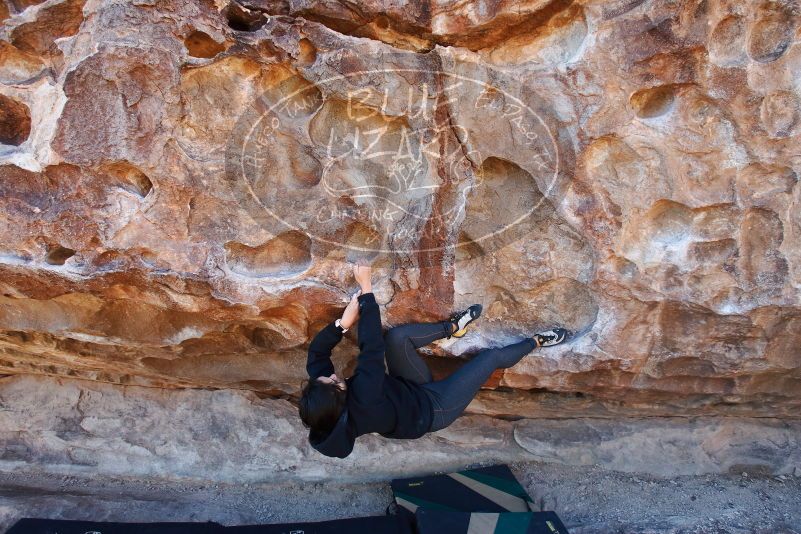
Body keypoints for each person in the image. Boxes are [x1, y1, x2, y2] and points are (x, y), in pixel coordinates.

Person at [299, 264, 570, 458]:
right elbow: (371, 348)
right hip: (432, 410)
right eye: (334, 382)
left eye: (327, 377)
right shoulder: (365, 399)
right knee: (490, 358)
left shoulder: (325, 394)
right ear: (339, 401)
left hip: (406, 390)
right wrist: (367, 290)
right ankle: (538, 341)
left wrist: (342, 323)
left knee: (397, 338)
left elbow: (317, 356)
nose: (334, 375)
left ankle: (454, 328)